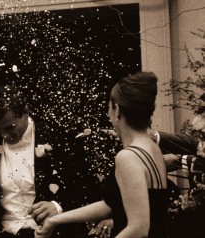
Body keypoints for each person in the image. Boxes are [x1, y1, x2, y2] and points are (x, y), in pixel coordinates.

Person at [35, 72, 169, 237]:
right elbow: (111, 205)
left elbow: (138, 229)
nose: (108, 113)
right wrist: (55, 220)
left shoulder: (128, 157)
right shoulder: (152, 148)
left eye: (109, 107)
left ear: (117, 110)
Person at [0, 84, 101, 238]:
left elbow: (87, 187)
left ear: (25, 113)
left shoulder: (59, 137)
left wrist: (57, 206)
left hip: (56, 234)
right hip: (5, 233)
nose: (4, 135)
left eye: (9, 127)